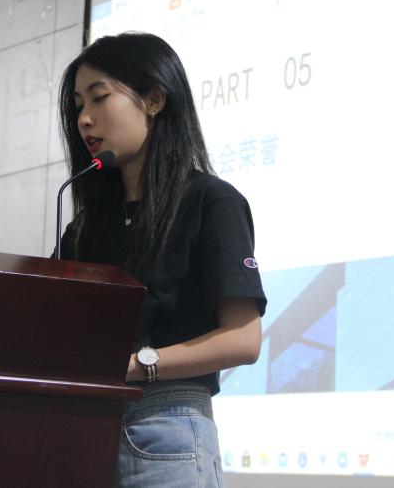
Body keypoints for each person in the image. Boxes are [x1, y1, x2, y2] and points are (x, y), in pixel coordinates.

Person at [55, 32, 267, 487]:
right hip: (85, 433)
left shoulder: (211, 202)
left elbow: (244, 339)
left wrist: (138, 364)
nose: (85, 119)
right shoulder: (87, 226)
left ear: (153, 99)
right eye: (78, 105)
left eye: (99, 98)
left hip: (167, 430)